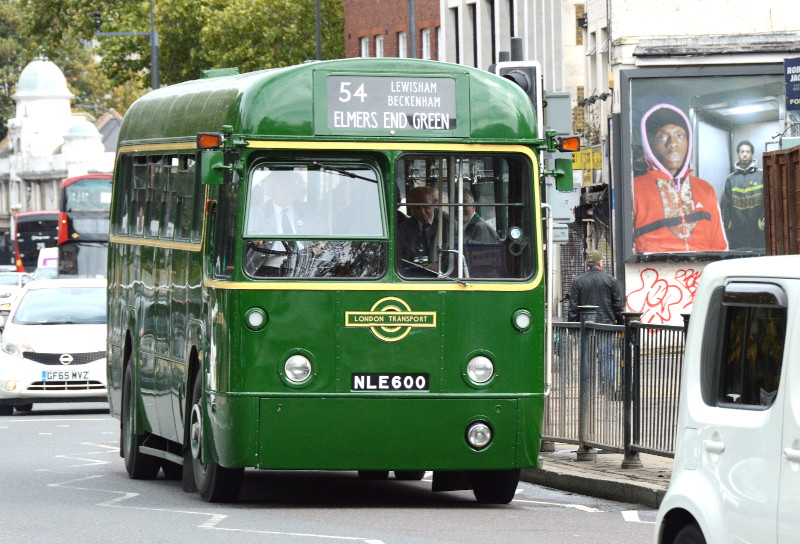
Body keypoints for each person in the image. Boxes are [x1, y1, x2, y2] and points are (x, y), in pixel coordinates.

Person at [633, 103, 728, 253]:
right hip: (653, 275)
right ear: (650, 144)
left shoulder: (705, 189)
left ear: (688, 142)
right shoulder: (634, 190)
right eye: (662, 137)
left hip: (700, 275)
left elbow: (719, 246)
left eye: (679, 135)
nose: (673, 143)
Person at [568, 250, 624, 393]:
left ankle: (588, 386)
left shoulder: (578, 281)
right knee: (607, 355)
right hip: (606, 324)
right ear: (600, 263)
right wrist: (621, 325)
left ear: (588, 264)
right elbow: (617, 306)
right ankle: (607, 384)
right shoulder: (610, 280)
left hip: (586, 325)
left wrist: (572, 329)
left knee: (588, 355)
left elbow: (573, 307)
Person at [721, 139, 765, 250]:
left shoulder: (762, 175)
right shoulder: (731, 179)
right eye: (742, 151)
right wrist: (727, 227)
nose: (744, 154)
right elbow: (725, 206)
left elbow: (769, 202)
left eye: (747, 151)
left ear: (752, 154)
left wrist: (763, 223)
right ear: (738, 154)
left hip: (758, 232)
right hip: (737, 233)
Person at [396, 186, 449, 273]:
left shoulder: (448, 223)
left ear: (434, 204)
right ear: (411, 208)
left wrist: (439, 265)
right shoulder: (405, 227)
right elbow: (399, 254)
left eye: (425, 207)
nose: (422, 212)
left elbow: (455, 253)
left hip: (442, 275)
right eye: (417, 208)